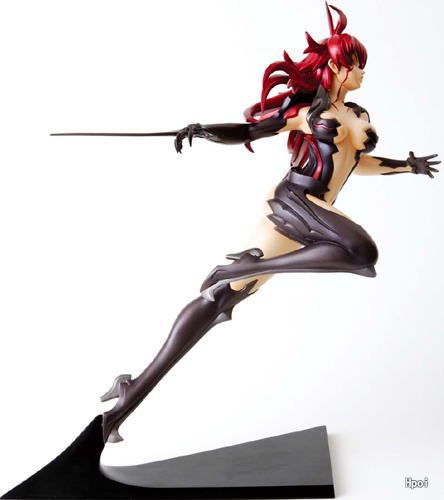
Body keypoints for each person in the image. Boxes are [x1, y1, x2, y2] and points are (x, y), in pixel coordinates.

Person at [100, 3, 439, 443]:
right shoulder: (310, 112)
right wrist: (203, 130)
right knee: (360, 252)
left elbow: (357, 163)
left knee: (221, 300)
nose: (362, 73)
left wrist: (407, 167)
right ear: (338, 66)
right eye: (357, 65)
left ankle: (129, 394)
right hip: (294, 203)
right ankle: (246, 268)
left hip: (317, 216)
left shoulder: (356, 113)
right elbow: (249, 132)